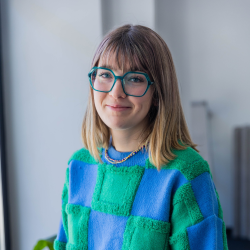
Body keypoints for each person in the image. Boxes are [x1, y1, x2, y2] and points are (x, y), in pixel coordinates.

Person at [53, 24, 228, 250]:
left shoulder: (185, 174)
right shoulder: (79, 165)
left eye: (134, 78)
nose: (116, 92)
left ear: (158, 93)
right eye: (105, 74)